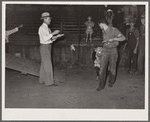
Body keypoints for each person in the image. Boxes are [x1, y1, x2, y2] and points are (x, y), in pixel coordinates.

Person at [96, 19, 125, 91]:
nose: (99, 27)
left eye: (99, 25)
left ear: (102, 24)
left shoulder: (114, 30)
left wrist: (114, 39)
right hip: (105, 50)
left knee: (112, 67)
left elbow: (123, 38)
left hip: (113, 51)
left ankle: (111, 82)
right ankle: (101, 85)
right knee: (102, 67)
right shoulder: (103, 31)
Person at [38, 12, 62, 86]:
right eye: (49, 19)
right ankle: (49, 82)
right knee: (48, 64)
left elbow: (49, 38)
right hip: (45, 47)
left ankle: (42, 80)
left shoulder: (47, 28)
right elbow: (45, 39)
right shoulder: (42, 28)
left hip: (47, 46)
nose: (50, 20)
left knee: (44, 64)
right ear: (45, 19)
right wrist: (53, 33)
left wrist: (57, 36)